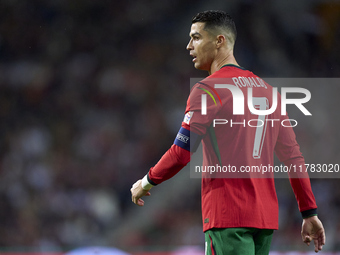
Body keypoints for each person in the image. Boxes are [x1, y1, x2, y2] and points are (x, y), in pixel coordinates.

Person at [131, 10, 325, 254]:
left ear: (219, 41)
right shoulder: (270, 92)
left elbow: (181, 153)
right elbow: (293, 159)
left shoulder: (208, 90)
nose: (189, 45)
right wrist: (309, 212)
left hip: (227, 218)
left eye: (196, 38)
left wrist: (147, 181)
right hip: (264, 222)